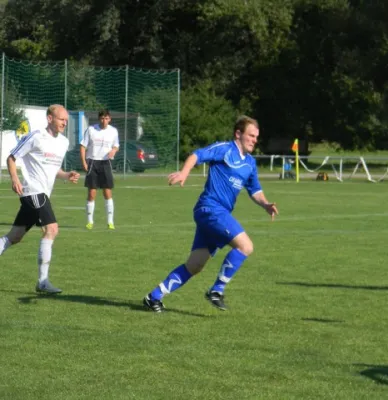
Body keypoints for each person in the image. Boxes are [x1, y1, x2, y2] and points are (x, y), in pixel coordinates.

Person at [143, 116, 279, 312]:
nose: (254, 140)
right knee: (246, 246)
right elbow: (197, 155)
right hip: (210, 208)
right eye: (251, 135)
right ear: (238, 134)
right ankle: (217, 290)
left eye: (256, 137)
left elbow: (254, 189)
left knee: (195, 265)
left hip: (216, 215)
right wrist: (184, 173)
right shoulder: (224, 149)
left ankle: (154, 297)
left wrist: (265, 204)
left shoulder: (250, 163)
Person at [0, 104, 80, 293]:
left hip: (42, 192)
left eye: (66, 120)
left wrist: (67, 175)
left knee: (15, 236)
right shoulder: (36, 137)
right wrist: (14, 178)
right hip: (33, 191)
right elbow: (11, 158)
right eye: (61, 119)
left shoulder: (63, 142)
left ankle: (43, 282)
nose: (64, 123)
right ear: (50, 118)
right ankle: (43, 282)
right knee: (51, 229)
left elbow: (54, 170)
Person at [80, 109, 120, 230]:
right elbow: (82, 146)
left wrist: (113, 150)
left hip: (106, 163)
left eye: (107, 118)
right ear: (99, 119)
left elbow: (116, 146)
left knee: (107, 192)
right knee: (92, 193)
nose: (104, 121)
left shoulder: (113, 131)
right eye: (102, 118)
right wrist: (84, 162)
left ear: (110, 119)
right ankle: (90, 221)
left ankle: (110, 221)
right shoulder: (91, 130)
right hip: (92, 162)